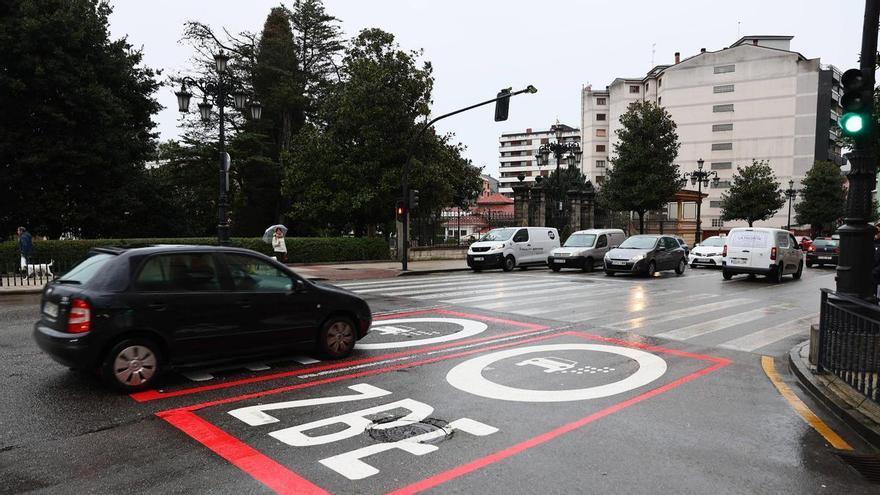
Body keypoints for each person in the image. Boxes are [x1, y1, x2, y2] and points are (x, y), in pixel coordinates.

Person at [873, 224, 880, 300]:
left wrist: (875, 271)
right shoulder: (870, 243)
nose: (875, 234)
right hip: (871, 278)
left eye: (877, 232)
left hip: (877, 277)